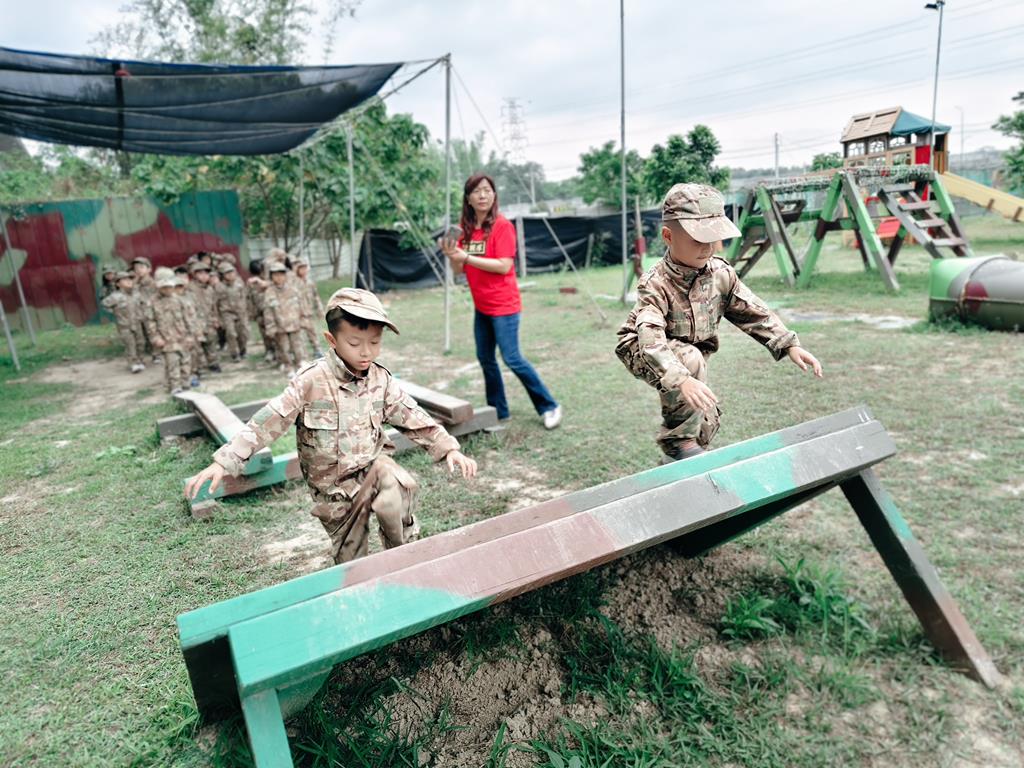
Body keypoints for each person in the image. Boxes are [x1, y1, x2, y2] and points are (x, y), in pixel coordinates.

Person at [185, 288, 479, 563]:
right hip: (333, 489)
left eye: (375, 342)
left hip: (371, 467)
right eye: (355, 343)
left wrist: (448, 448)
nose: (366, 352)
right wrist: (225, 461)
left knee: (397, 485)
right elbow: (270, 419)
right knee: (353, 562)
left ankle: (402, 557)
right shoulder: (312, 381)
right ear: (332, 340)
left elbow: (412, 416)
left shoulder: (381, 379)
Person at [616, 183, 823, 462]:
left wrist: (788, 344)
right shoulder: (655, 283)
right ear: (668, 236)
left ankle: (682, 459)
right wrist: (681, 379)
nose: (708, 248)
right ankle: (678, 441)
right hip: (642, 348)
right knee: (689, 367)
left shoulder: (720, 274)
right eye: (698, 239)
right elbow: (650, 338)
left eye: (713, 239)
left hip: (690, 354)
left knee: (705, 412)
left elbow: (752, 310)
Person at [440, 173, 562, 429]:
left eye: (487, 190)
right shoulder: (466, 229)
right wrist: (453, 255)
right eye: (476, 191)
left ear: (494, 195)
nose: (482, 195)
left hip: (504, 305)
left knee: (512, 357)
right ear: (468, 198)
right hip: (481, 305)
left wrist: (466, 257)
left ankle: (549, 406)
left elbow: (504, 266)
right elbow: (459, 270)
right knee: (485, 358)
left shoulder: (502, 226)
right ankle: (498, 411)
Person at [143, 268, 192, 394]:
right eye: (164, 287)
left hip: (182, 336)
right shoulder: (152, 302)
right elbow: (150, 322)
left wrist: (190, 335)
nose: (167, 290)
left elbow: (188, 318)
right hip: (166, 339)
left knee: (185, 361)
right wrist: (155, 337)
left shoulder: (179, 299)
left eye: (170, 287)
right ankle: (175, 386)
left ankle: (185, 383)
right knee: (172, 362)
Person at [101, 270, 145, 373]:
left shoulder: (136, 294)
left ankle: (140, 361)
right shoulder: (115, 296)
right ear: (118, 284)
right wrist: (115, 312)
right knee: (130, 344)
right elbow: (104, 304)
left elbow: (142, 304)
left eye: (130, 279)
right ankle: (133, 363)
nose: (129, 281)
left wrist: (141, 315)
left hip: (137, 323)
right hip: (125, 325)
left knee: (140, 343)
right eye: (124, 280)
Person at [264, 261, 305, 372]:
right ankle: (288, 365)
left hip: (294, 324)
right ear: (271, 276)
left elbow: (300, 305)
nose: (279, 277)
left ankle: (300, 362)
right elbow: (268, 311)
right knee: (284, 347)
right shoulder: (269, 292)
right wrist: (270, 327)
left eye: (281, 274)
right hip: (280, 326)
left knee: (297, 345)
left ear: (285, 275)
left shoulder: (293, 289)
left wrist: (302, 319)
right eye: (275, 275)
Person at [215, 261, 250, 361]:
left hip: (240, 312)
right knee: (231, 333)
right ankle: (234, 354)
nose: (230, 275)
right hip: (227, 313)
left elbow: (245, 296)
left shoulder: (239, 283)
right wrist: (218, 318)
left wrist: (247, 310)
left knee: (243, 333)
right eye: (227, 273)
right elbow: (215, 303)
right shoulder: (219, 287)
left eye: (232, 272)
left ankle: (243, 350)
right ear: (222, 275)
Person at [294, 257, 324, 358]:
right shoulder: (293, 283)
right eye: (300, 268)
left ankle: (317, 349)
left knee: (312, 332)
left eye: (305, 268)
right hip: (298, 314)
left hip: (308, 313)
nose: (303, 270)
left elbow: (316, 297)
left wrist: (319, 309)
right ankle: (301, 354)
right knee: (299, 336)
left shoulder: (310, 282)